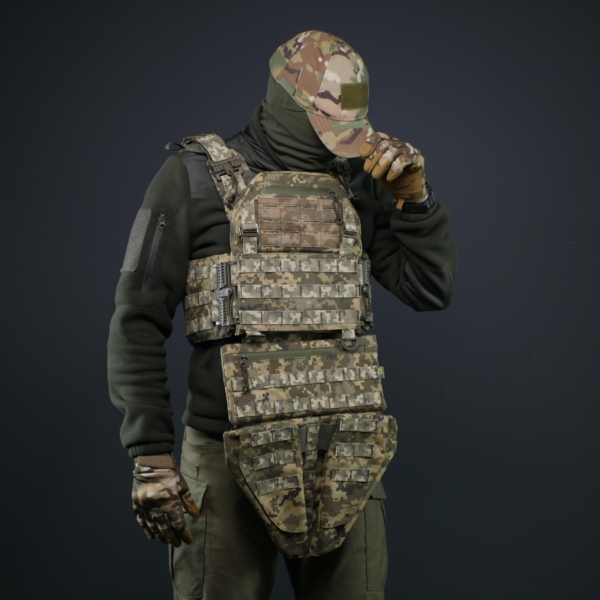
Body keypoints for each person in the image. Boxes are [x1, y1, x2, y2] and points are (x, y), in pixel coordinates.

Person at [108, 30, 458, 600]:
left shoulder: (358, 183)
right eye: (331, 122)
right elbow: (136, 319)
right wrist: (151, 456)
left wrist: (415, 200)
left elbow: (429, 288)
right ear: (286, 99)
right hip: (225, 460)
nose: (344, 141)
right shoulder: (191, 178)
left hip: (345, 454)